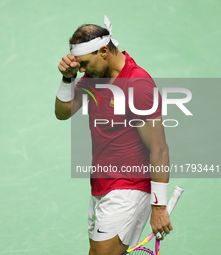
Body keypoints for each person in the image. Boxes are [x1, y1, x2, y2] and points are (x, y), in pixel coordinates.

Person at [54, 16, 172, 255]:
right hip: (101, 185)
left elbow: (159, 149)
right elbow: (63, 112)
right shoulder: (95, 77)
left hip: (128, 187)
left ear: (104, 51)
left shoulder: (137, 84)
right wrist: (68, 78)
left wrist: (159, 206)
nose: (82, 69)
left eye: (85, 63)